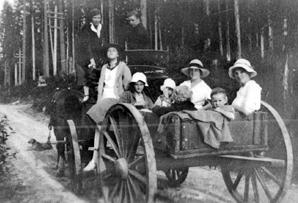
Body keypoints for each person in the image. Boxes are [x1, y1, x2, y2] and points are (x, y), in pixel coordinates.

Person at [83, 44, 131, 172]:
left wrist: (123, 99)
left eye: (113, 50)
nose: (110, 52)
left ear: (118, 54)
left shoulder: (123, 67)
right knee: (99, 128)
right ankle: (95, 159)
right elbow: (100, 85)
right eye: (109, 50)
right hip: (103, 99)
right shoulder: (104, 67)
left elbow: (128, 84)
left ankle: (96, 160)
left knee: (94, 117)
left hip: (116, 100)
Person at [76, 8, 105, 104]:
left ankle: (99, 95)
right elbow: (86, 45)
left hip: (97, 55)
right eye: (95, 18)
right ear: (91, 18)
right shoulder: (86, 28)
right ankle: (86, 95)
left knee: (98, 74)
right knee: (88, 73)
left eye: (99, 18)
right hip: (86, 55)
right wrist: (91, 59)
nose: (97, 20)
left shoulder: (101, 27)